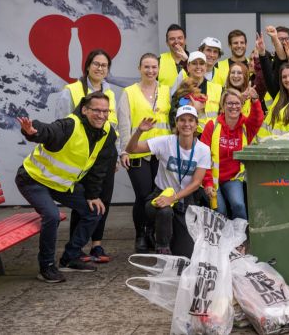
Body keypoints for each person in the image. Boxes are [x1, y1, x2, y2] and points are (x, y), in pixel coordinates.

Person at [16, 92, 115, 282]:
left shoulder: (107, 132)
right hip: (33, 179)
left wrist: (93, 195)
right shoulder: (70, 125)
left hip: (60, 184)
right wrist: (31, 131)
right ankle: (46, 267)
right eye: (96, 110)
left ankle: (70, 258)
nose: (101, 115)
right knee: (52, 215)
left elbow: (99, 167)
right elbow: (48, 130)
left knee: (94, 211)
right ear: (84, 110)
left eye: (105, 111)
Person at [55, 49, 116, 263]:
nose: (100, 68)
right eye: (96, 64)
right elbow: (61, 125)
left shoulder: (110, 92)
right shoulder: (70, 90)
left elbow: (112, 125)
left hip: (105, 152)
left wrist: (115, 154)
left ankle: (96, 245)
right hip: (82, 154)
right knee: (84, 199)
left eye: (104, 65)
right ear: (88, 66)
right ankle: (76, 247)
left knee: (103, 198)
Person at [126, 106, 211, 256]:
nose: (187, 124)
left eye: (191, 120)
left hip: (184, 198)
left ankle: (169, 235)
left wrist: (173, 198)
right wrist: (139, 131)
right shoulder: (166, 142)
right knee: (164, 211)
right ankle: (162, 247)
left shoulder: (203, 149)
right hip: (160, 195)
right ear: (176, 124)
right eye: (182, 120)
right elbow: (132, 149)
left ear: (196, 124)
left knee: (186, 252)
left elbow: (196, 183)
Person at [118, 53, 171, 254]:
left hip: (161, 152)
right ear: (139, 68)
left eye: (154, 67)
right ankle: (141, 234)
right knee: (143, 195)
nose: (150, 71)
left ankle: (153, 233)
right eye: (146, 67)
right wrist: (124, 151)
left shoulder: (165, 91)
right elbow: (124, 125)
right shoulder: (129, 92)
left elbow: (171, 120)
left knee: (158, 194)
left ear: (159, 69)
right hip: (138, 151)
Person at [200, 88, 262, 221]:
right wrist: (208, 183)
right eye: (230, 103)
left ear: (241, 105)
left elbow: (257, 119)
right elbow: (202, 157)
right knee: (220, 211)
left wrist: (255, 100)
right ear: (223, 105)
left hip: (233, 179)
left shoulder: (246, 126)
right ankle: (223, 240)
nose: (234, 107)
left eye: (237, 103)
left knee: (238, 205)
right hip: (212, 179)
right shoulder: (212, 125)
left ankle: (240, 237)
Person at [170, 51, 223, 134]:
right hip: (188, 137)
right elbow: (173, 115)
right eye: (194, 63)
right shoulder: (182, 89)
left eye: (201, 63)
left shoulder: (217, 89)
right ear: (188, 66)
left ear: (205, 67)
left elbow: (223, 115)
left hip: (212, 137)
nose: (198, 67)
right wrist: (191, 108)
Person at [158, 24, 189, 88]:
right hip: (166, 98)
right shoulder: (158, 62)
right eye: (172, 39)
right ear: (167, 43)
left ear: (185, 40)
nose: (176, 41)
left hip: (190, 98)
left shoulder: (195, 61)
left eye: (180, 38)